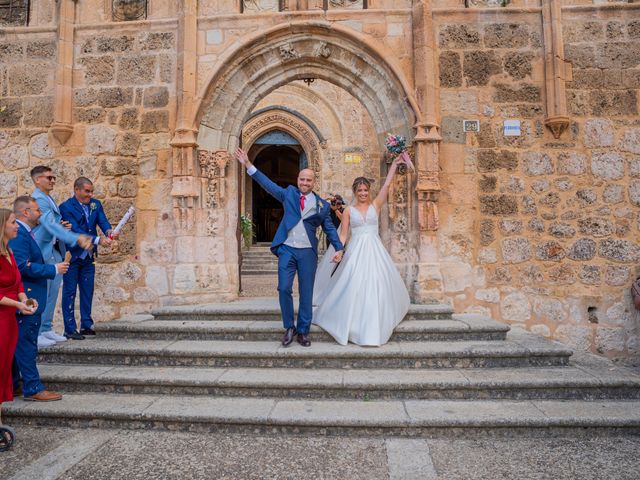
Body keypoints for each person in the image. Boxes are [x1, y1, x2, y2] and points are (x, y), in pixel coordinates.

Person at [235, 148, 344, 347]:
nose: (304, 183)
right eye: (302, 179)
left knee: (306, 291)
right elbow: (268, 185)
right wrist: (248, 165)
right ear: (297, 180)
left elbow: (329, 228)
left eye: (308, 180)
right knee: (284, 287)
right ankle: (289, 327)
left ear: (314, 182)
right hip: (287, 249)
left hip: (307, 253)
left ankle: (303, 331)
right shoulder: (289, 194)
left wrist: (339, 247)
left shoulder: (323, 206)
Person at [313, 156, 411, 346]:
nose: (363, 193)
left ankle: (373, 325)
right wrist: (339, 251)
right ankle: (352, 323)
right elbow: (343, 235)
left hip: (375, 251)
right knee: (353, 284)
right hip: (356, 251)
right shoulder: (349, 210)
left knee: (376, 284)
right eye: (360, 190)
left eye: (366, 190)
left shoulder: (376, 205)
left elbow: (386, 187)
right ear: (355, 192)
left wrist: (395, 165)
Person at [10, 197, 66, 402]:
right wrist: (53, 269)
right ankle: (32, 387)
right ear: (26, 212)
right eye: (37, 210)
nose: (40, 213)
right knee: (27, 343)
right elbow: (22, 266)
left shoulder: (25, 233)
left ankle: (14, 383)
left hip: (29, 295)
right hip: (27, 297)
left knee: (20, 342)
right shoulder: (20, 235)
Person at [30, 166, 92, 348]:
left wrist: (62, 225)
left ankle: (47, 327)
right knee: (44, 291)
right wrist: (75, 237)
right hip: (43, 251)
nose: (52, 181)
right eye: (48, 178)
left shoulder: (49, 198)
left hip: (54, 250)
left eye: (54, 177)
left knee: (53, 291)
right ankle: (39, 331)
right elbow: (49, 224)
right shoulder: (39, 199)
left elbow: (54, 223)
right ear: (37, 180)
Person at [59, 177, 115, 339]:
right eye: (87, 191)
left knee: (87, 290)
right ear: (76, 190)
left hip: (89, 256)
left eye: (91, 191)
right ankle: (69, 328)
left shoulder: (95, 204)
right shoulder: (66, 207)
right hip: (73, 255)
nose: (90, 194)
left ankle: (86, 324)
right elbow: (74, 229)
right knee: (69, 291)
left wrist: (109, 231)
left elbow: (102, 221)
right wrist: (97, 240)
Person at [0, 209, 36, 448]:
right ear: (2, 226)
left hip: (9, 320)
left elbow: (17, 281)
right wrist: (17, 304)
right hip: (1, 320)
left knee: (3, 370)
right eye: (13, 222)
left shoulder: (9, 252)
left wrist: (24, 300)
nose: (17, 226)